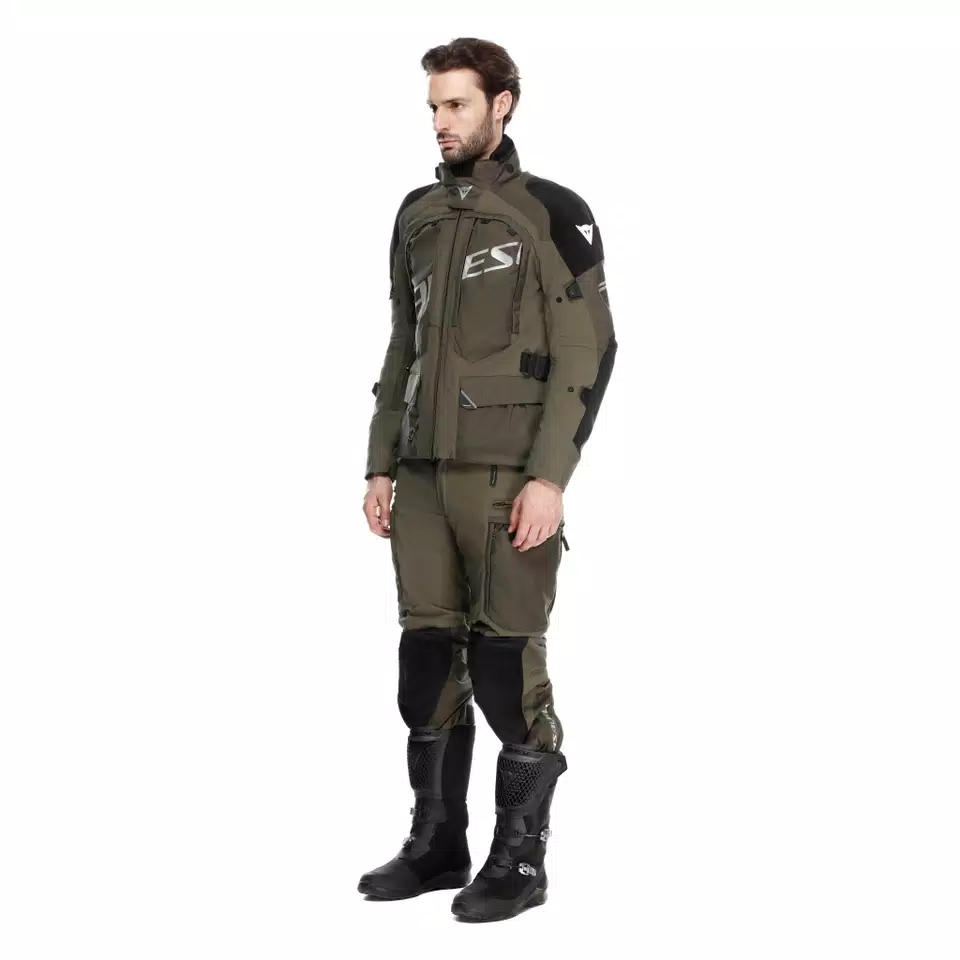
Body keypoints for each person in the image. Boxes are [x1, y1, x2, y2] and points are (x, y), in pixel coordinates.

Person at [358, 37, 617, 923]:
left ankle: (520, 863)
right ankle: (438, 845)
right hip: (422, 479)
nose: (441, 121)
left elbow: (590, 349)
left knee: (506, 666)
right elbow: (404, 344)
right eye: (434, 106)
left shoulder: (552, 211)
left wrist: (550, 478)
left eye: (457, 104)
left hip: (508, 477)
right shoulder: (418, 215)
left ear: (502, 104)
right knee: (426, 660)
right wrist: (379, 461)